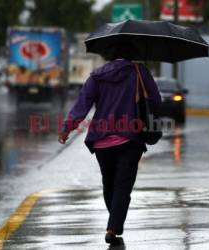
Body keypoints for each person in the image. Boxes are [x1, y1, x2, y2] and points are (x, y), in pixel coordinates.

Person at [58, 47, 161, 245]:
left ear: (109, 54)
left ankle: (113, 223)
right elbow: (156, 100)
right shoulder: (139, 71)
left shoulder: (96, 76)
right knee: (123, 185)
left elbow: (83, 104)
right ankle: (112, 228)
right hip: (130, 137)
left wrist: (67, 128)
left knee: (109, 182)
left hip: (101, 139)